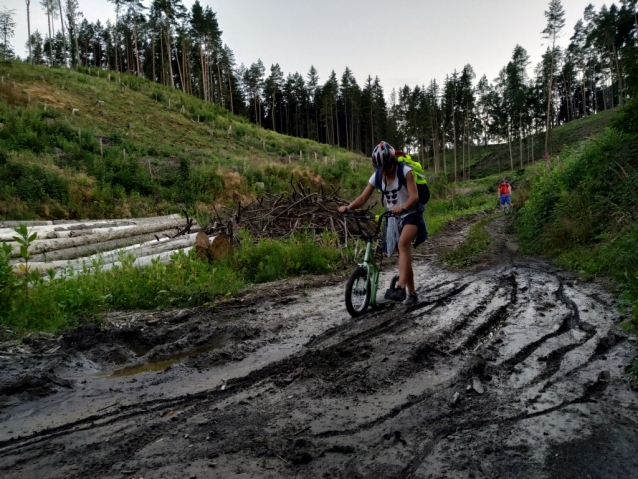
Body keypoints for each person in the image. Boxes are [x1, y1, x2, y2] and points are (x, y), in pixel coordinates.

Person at [338, 141, 422, 306]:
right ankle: (412, 293)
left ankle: (400, 287)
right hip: (392, 218)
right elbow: (363, 198)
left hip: (411, 214)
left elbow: (414, 196)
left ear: (392, 162)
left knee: (403, 244)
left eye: (387, 167)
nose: (384, 171)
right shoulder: (377, 177)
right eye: (380, 169)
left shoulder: (406, 172)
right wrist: (348, 208)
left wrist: (403, 206)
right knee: (403, 254)